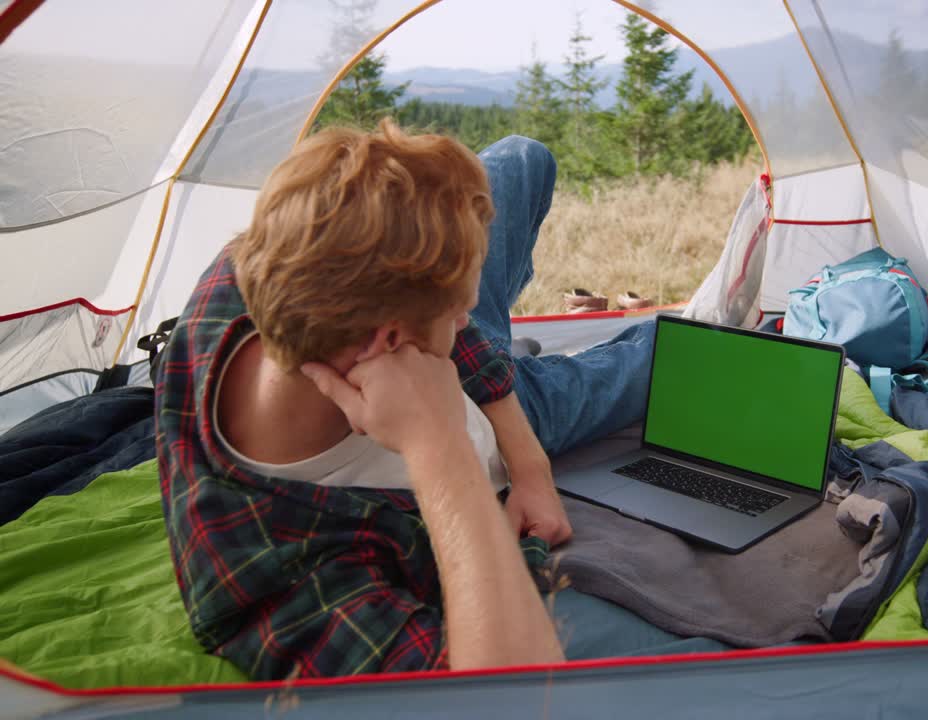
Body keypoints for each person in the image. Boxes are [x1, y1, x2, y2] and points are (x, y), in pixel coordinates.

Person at [154, 119, 656, 679]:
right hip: (513, 416)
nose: (470, 325)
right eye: (458, 310)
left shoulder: (264, 262)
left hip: (484, 402)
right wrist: (439, 445)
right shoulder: (287, 577)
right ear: (389, 343)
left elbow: (465, 340)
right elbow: (510, 693)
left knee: (522, 157)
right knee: (667, 356)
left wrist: (530, 465)